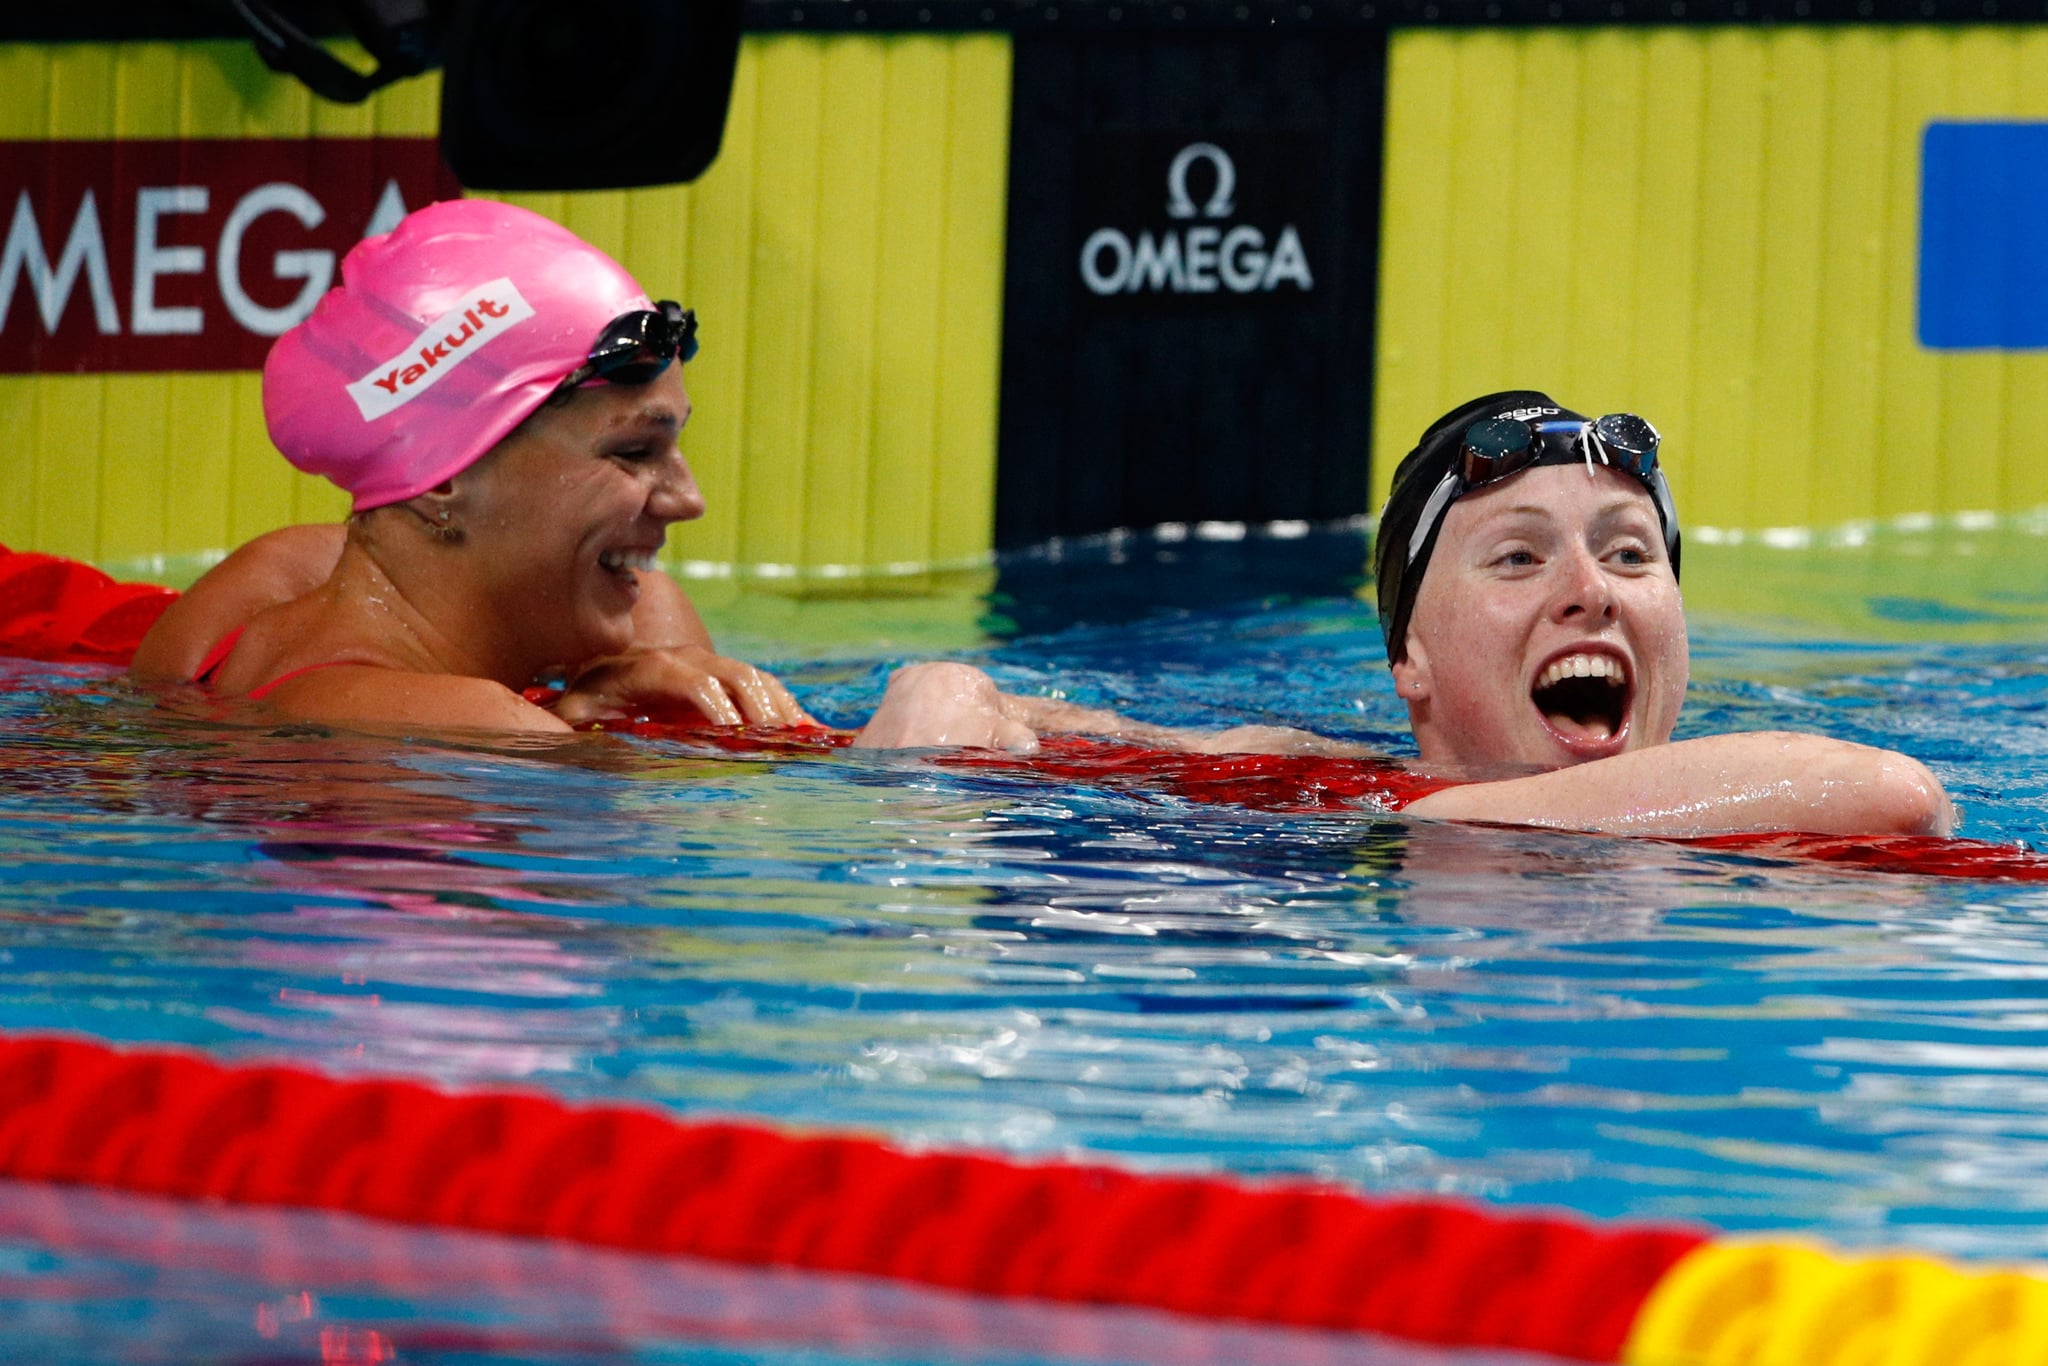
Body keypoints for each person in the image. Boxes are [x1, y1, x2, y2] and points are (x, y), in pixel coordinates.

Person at [851, 391, 1956, 839]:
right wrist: (943, 695)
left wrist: (1431, 823)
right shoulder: (1314, 780)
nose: (1591, 588)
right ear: (1408, 661)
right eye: (1518, 555)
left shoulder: (1390, 813)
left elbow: (1890, 795)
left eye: (1628, 552)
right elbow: (1087, 736)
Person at [130, 200, 811, 734]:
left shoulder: (273, 586)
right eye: (633, 452)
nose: (688, 500)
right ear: (441, 476)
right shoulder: (463, 729)